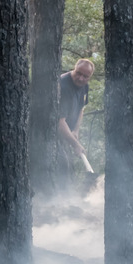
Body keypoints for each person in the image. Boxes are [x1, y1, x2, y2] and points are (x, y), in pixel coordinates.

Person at [57, 59, 94, 187]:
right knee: (63, 165)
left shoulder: (84, 87)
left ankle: (71, 200)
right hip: (53, 134)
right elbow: (59, 122)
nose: (81, 78)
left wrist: (76, 131)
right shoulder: (63, 85)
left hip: (67, 133)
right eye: (78, 73)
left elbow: (81, 109)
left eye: (85, 76)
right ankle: (57, 200)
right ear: (74, 69)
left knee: (70, 167)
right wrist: (75, 144)